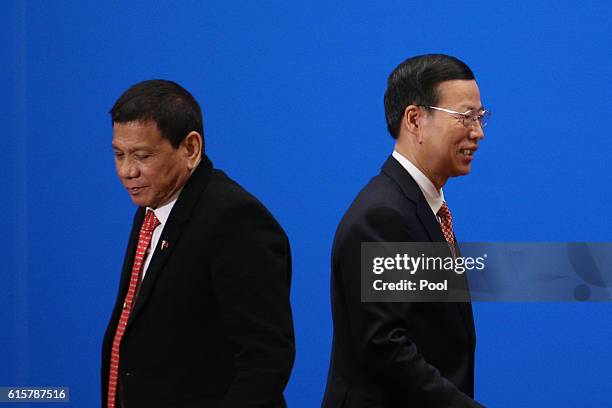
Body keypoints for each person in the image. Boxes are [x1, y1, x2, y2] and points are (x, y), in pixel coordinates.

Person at [101, 80, 295, 408]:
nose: (127, 171)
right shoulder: (152, 206)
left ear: (191, 149)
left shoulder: (235, 219)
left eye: (142, 155)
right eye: (119, 155)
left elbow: (266, 359)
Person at [322, 54, 489, 407]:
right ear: (414, 119)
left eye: (480, 117)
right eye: (465, 117)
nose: (478, 132)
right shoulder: (384, 215)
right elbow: (385, 346)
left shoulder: (422, 206)